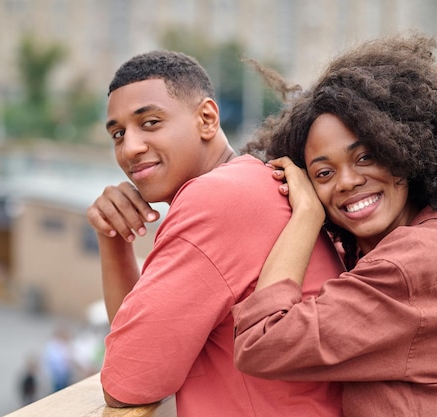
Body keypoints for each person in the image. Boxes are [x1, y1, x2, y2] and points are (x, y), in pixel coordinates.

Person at [232, 33, 437, 417]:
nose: (346, 181)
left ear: (406, 153)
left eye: (366, 157)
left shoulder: (412, 263)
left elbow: (262, 343)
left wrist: (306, 215)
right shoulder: (412, 244)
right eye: (323, 173)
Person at [86, 50, 346, 416]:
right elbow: (145, 338)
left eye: (150, 123)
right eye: (117, 133)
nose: (130, 148)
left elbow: (129, 381)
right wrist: (113, 238)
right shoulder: (249, 182)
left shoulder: (216, 198)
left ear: (207, 118)